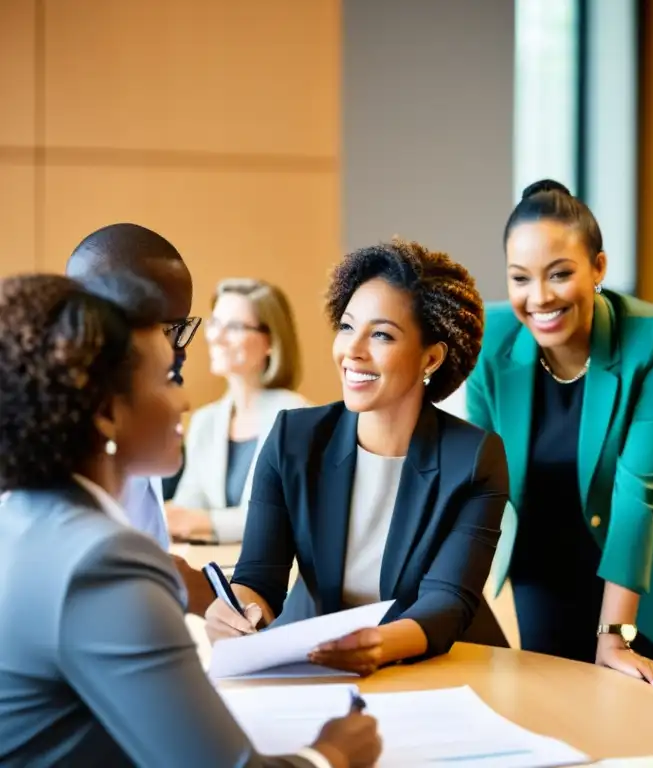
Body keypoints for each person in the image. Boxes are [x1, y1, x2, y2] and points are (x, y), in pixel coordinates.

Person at [0, 274, 381, 768]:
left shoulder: (21, 520)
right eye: (166, 379)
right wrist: (332, 753)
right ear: (106, 413)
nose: (182, 400)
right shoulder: (104, 562)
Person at [465, 180, 653, 697]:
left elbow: (637, 497)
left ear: (599, 268)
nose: (539, 297)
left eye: (560, 274)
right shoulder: (489, 340)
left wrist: (613, 638)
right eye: (521, 279)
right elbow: (476, 481)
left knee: (645, 728)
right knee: (551, 715)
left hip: (651, 572)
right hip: (544, 566)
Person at [205, 238, 509, 674]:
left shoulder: (474, 457)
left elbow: (447, 602)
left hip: (439, 666)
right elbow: (259, 578)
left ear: (432, 357)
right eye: (347, 327)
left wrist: (378, 644)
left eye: (381, 334)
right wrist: (237, 612)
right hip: (318, 664)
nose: (352, 350)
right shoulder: (293, 438)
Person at [65, 222, 212, 614]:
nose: (176, 352)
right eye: (160, 331)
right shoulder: (48, 472)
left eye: (180, 329)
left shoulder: (134, 437)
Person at [167, 278, 309, 543]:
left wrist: (200, 522)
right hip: (216, 572)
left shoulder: (296, 415)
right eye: (215, 324)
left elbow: (284, 517)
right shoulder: (204, 421)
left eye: (233, 327)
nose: (216, 337)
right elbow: (189, 504)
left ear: (270, 341)